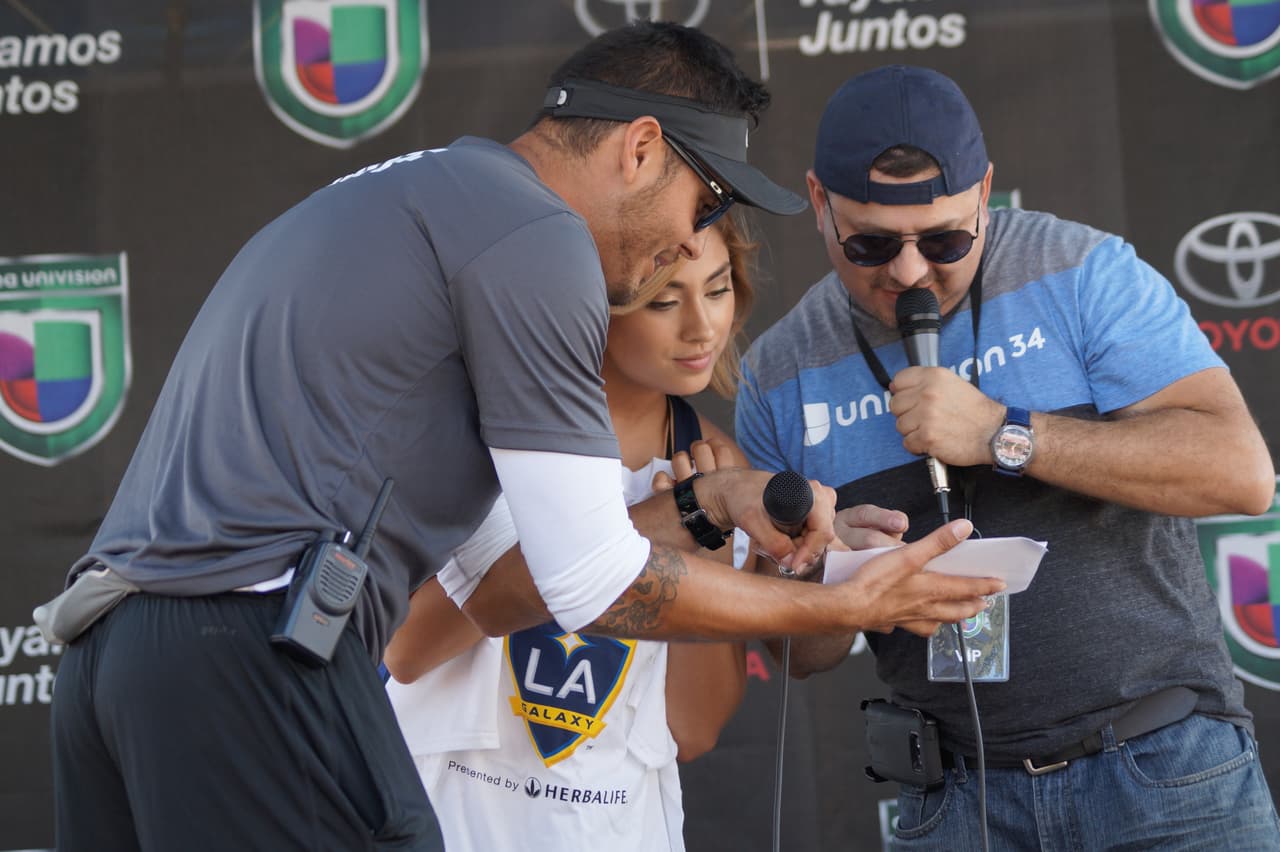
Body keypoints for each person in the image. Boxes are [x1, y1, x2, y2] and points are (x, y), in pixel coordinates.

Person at [48, 24, 1002, 850]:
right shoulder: (538, 236)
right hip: (247, 648)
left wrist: (711, 500)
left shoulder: (419, 196)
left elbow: (488, 581)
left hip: (110, 652)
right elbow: (591, 583)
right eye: (704, 203)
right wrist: (836, 607)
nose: (689, 240)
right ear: (639, 149)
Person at [735, 64, 1280, 850]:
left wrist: (1005, 433)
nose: (911, 272)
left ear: (986, 193)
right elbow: (800, 654)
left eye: (948, 239)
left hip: (1161, 769)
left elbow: (1238, 472)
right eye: (872, 243)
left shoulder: (1081, 272)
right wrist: (825, 567)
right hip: (955, 800)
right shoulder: (778, 371)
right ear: (819, 203)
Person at [382, 213, 760, 851]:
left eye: (717, 290)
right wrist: (663, 528)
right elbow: (406, 652)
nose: (703, 327)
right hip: (443, 822)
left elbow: (692, 730)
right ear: (589, 302)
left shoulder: (721, 472)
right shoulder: (485, 435)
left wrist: (706, 545)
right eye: (665, 300)